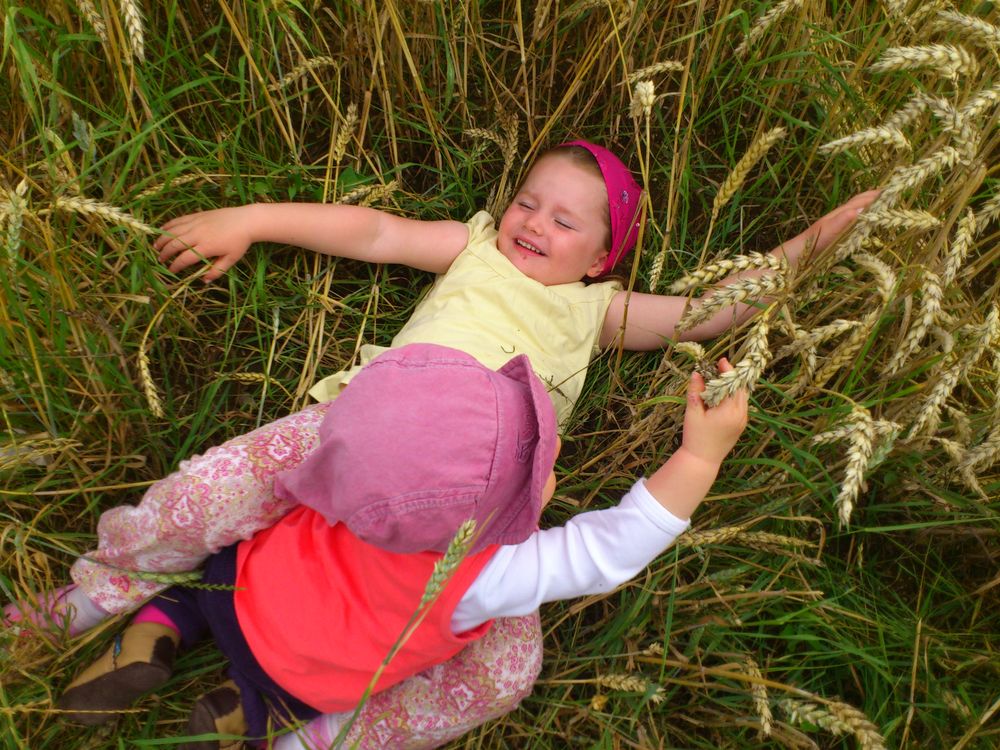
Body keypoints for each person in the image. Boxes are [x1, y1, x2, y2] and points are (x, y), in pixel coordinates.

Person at [6, 140, 875, 746]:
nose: (534, 220)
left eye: (566, 221)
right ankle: (98, 592)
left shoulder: (598, 313)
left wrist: (820, 240)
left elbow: (713, 311)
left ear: (608, 258)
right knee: (209, 491)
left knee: (507, 670)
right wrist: (253, 218)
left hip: (477, 505)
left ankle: (330, 733)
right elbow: (374, 233)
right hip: (364, 430)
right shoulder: (479, 251)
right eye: (529, 199)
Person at [54, 342, 748, 750]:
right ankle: (250, 718)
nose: (554, 446)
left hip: (241, 587)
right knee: (493, 680)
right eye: (535, 460)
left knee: (198, 596)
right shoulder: (490, 573)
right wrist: (699, 459)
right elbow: (610, 552)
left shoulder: (349, 476)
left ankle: (153, 631)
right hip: (309, 678)